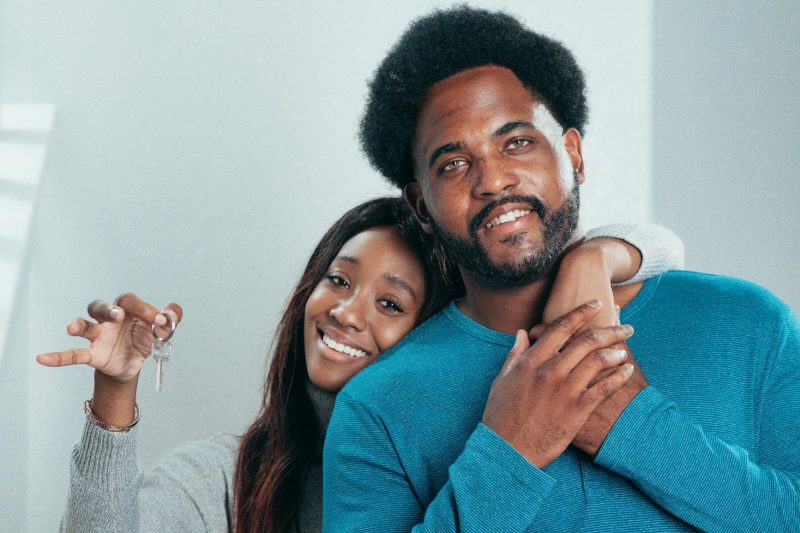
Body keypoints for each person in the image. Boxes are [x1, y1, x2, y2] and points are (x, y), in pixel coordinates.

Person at [323, 7, 800, 532]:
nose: (493, 180)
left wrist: (632, 426)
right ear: (421, 208)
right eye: (453, 164)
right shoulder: (378, 409)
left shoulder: (747, 323)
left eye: (517, 142)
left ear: (573, 155)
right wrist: (510, 450)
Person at [39, 195, 681, 532]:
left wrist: (584, 260)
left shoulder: (460, 462)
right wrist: (114, 391)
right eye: (338, 282)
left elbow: (664, 244)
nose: (348, 313)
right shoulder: (229, 475)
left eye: (391, 303)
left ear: (435, 334)